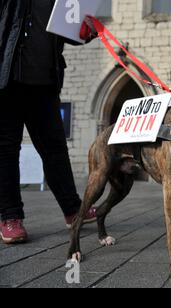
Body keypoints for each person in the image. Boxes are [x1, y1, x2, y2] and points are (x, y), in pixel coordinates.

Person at [0, 0, 97, 244]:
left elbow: (70, 31)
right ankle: (10, 216)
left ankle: (73, 210)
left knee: (55, 149)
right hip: (7, 79)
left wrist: (85, 32)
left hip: (44, 81)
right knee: (6, 150)